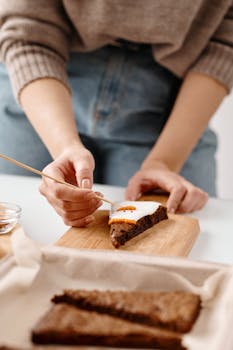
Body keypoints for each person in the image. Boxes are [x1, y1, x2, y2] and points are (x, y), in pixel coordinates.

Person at [0, 1, 232, 227]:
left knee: (194, 226)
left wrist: (164, 163)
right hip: (43, 82)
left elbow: (225, 43)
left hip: (178, 94)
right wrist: (64, 148)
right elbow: (26, 29)